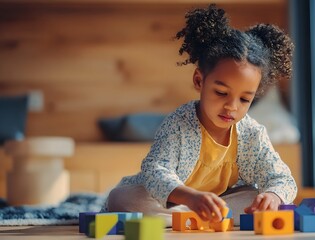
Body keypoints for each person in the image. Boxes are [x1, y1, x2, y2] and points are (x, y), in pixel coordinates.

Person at [104, 4, 297, 226]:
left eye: (245, 99)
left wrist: (273, 196)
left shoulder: (252, 133)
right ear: (199, 81)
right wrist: (190, 197)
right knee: (121, 198)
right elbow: (154, 171)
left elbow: (282, 178)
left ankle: (197, 218)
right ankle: (196, 216)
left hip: (218, 202)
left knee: (254, 198)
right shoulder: (179, 124)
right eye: (221, 93)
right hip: (173, 202)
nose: (231, 107)